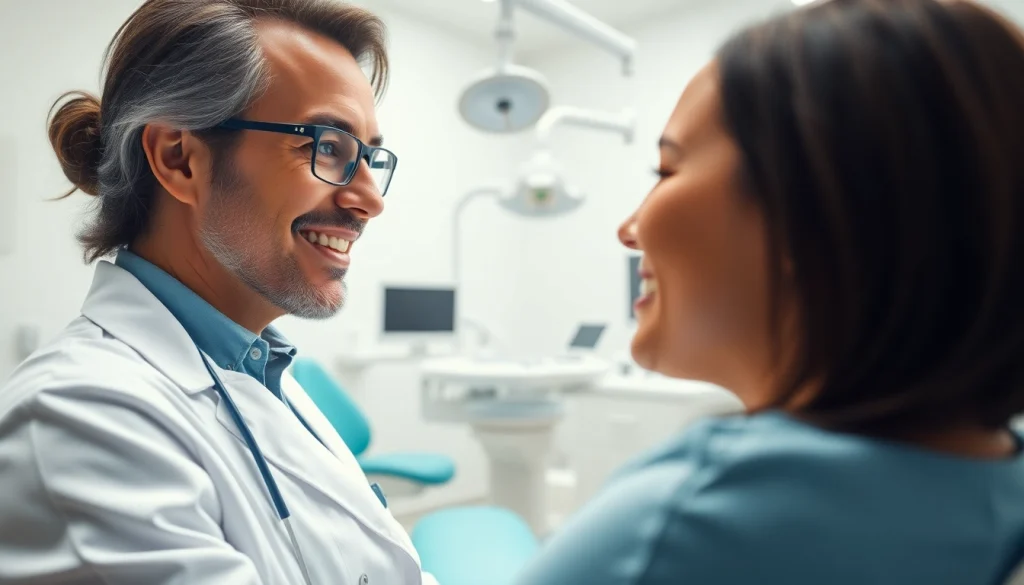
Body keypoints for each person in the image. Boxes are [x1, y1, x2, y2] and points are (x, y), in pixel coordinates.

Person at [512, 0, 1024, 584]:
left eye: (666, 172)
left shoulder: (684, 527)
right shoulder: (995, 478)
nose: (629, 230)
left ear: (813, 208)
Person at [0, 1, 436, 584]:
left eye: (369, 158)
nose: (370, 199)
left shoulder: (261, 369)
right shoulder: (80, 418)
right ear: (179, 159)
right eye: (328, 146)